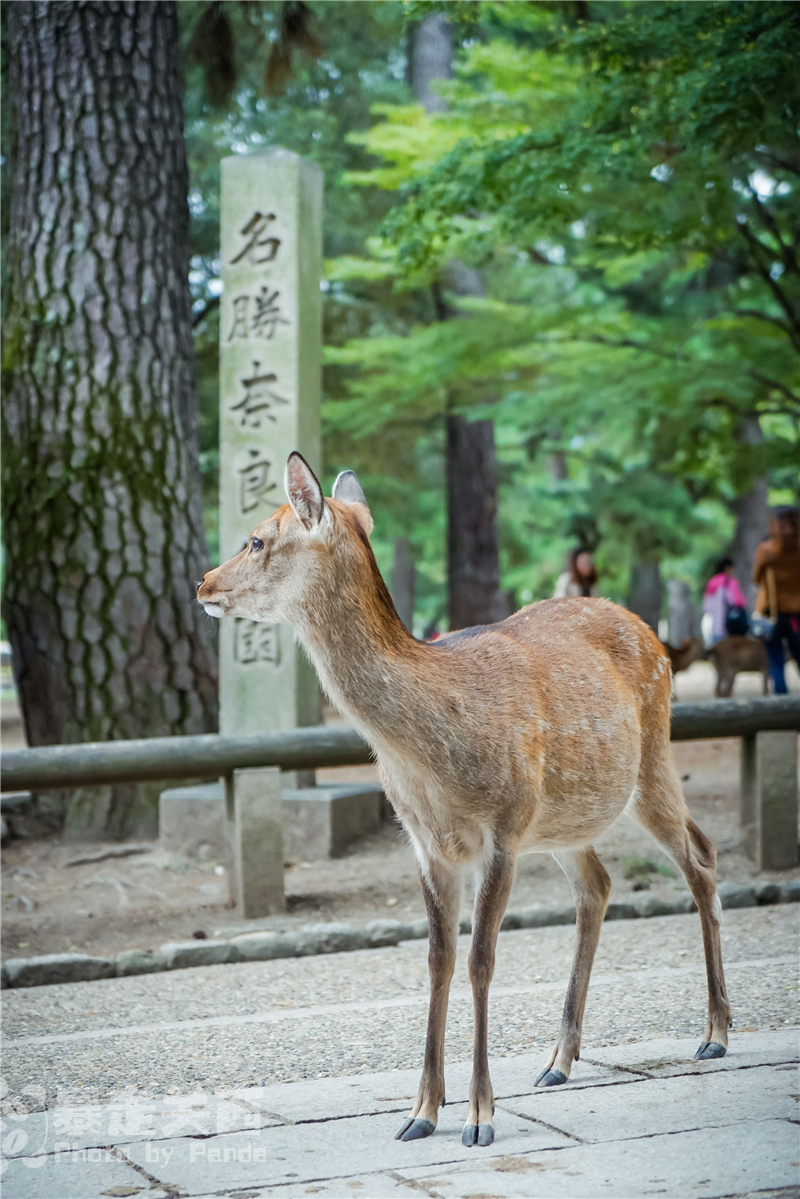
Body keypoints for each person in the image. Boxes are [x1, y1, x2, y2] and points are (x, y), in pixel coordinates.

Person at [752, 506, 800, 694]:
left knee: (776, 659)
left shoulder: (768, 549)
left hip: (772, 612)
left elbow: (756, 578)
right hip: (797, 613)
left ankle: (782, 704)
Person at [702, 557, 748, 644]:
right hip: (729, 626)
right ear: (727, 567)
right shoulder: (730, 581)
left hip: (715, 627)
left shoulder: (712, 581)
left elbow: (706, 606)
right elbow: (738, 601)